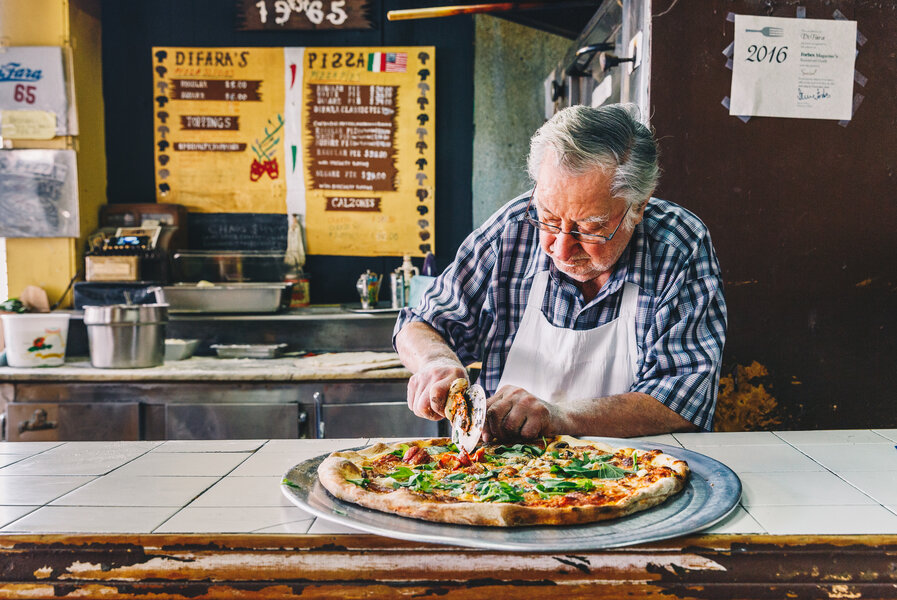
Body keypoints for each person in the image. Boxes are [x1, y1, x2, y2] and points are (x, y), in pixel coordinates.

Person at [393, 104, 727, 441]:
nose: (561, 249)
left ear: (638, 206)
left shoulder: (677, 245)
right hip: (498, 474)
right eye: (549, 219)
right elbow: (420, 323)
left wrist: (559, 417)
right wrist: (434, 361)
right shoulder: (511, 230)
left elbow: (683, 401)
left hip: (630, 471)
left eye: (591, 228)